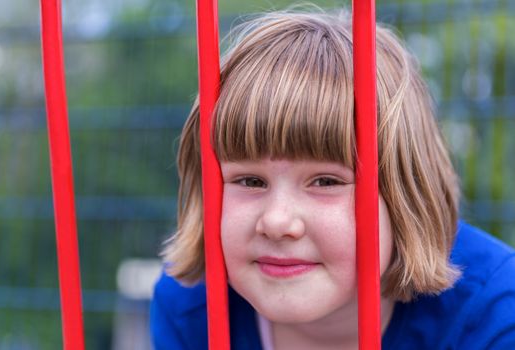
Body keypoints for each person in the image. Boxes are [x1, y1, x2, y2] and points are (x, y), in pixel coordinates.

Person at [150, 7, 515, 350]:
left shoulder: (493, 311)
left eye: (326, 181)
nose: (277, 222)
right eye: (249, 181)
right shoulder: (189, 309)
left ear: (406, 196)